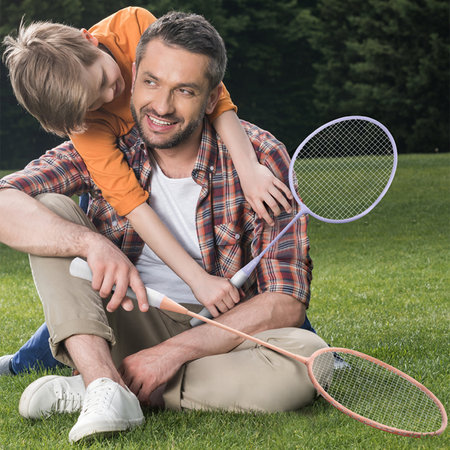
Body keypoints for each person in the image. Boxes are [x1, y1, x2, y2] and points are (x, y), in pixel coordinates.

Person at [0, 12, 328, 443]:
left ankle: (100, 386)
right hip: (129, 317)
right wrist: (90, 243)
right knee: (47, 207)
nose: (161, 107)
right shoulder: (99, 137)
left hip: (218, 330)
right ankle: (103, 380)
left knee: (310, 363)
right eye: (151, 83)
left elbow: (286, 302)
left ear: (210, 97)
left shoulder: (261, 157)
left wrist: (171, 354)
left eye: (185, 90)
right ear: (137, 74)